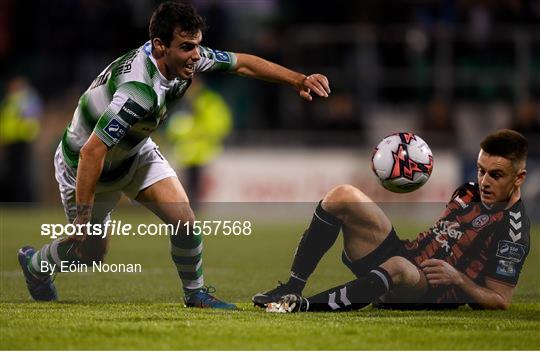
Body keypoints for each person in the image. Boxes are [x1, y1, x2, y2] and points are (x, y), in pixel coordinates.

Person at [17, 1, 330, 309]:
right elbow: (91, 152)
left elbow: (243, 63)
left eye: (196, 45)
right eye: (186, 47)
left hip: (134, 150)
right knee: (89, 254)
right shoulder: (138, 90)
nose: (195, 55)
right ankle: (36, 266)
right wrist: (83, 218)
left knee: (184, 219)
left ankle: (195, 294)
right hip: (87, 166)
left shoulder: (188, 58)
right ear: (159, 46)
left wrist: (299, 80)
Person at [254, 129, 530, 312]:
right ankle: (292, 286)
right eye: (481, 171)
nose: (484, 181)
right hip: (408, 255)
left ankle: (305, 306)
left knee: (398, 266)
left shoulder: (513, 229)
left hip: (431, 290)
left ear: (519, 178)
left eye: (496, 175)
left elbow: (500, 300)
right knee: (342, 195)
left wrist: (457, 278)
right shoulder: (468, 191)